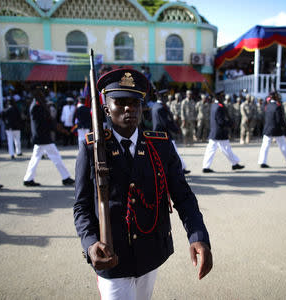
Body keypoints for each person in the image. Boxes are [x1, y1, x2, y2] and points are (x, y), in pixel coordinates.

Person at [74, 69, 212, 299]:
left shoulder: (160, 146)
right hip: (111, 258)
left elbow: (183, 196)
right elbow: (82, 207)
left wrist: (198, 237)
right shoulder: (91, 149)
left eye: (135, 102)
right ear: (106, 108)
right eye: (120, 102)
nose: (129, 108)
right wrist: (90, 244)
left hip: (150, 253)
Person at [23, 88, 75, 187]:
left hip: (41, 137)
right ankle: (66, 178)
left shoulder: (38, 105)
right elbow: (43, 123)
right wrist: (57, 128)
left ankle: (28, 179)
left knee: (35, 159)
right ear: (37, 94)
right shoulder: (37, 106)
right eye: (41, 92)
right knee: (56, 157)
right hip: (43, 137)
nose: (43, 94)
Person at [202, 91, 245, 173]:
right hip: (220, 133)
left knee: (217, 150)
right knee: (225, 149)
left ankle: (206, 166)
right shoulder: (219, 107)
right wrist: (230, 124)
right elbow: (221, 122)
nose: (223, 97)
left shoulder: (214, 105)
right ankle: (234, 163)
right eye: (222, 96)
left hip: (216, 132)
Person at [151, 89, 190, 174]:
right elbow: (166, 123)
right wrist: (176, 130)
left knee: (169, 152)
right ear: (163, 97)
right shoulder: (161, 107)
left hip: (158, 133)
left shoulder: (155, 106)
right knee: (173, 151)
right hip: (163, 134)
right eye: (166, 96)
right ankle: (181, 168)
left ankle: (182, 167)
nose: (168, 98)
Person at [257, 92, 286, 168]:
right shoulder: (277, 106)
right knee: (282, 145)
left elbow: (263, 107)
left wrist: (267, 98)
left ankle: (262, 161)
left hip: (267, 128)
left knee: (265, 146)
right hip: (277, 129)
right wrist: (285, 128)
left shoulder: (267, 106)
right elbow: (280, 120)